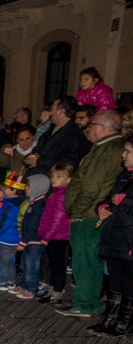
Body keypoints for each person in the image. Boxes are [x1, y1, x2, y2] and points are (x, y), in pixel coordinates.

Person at [58, 109, 125, 317]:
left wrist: (77, 210)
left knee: (85, 261)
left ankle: (84, 304)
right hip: (92, 212)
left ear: (103, 128)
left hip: (88, 214)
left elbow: (91, 186)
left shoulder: (106, 149)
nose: (88, 129)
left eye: (92, 125)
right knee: (91, 261)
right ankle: (90, 302)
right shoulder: (107, 147)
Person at [90, 137, 133, 335]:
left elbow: (125, 202)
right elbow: (110, 198)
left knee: (129, 280)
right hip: (115, 234)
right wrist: (103, 208)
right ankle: (110, 319)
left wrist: (125, 201)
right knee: (114, 278)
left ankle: (124, 322)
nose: (123, 155)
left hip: (129, 239)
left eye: (128, 151)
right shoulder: (124, 176)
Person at [37, 164, 73, 306]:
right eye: (53, 176)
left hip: (58, 236)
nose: (54, 179)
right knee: (53, 265)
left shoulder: (62, 196)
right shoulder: (55, 193)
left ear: (68, 180)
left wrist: (47, 236)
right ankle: (52, 291)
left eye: (59, 176)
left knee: (58, 266)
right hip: (54, 236)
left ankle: (57, 293)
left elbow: (57, 219)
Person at [26, 96, 91, 175]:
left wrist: (39, 161)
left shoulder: (73, 134)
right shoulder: (51, 129)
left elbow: (69, 162)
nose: (50, 113)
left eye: (52, 110)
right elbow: (37, 150)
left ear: (61, 111)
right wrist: (28, 159)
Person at [14, 175, 50, 299]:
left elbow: (33, 225)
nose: (26, 189)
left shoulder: (40, 205)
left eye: (28, 186)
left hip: (34, 241)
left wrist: (23, 241)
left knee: (32, 266)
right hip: (29, 240)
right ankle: (23, 285)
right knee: (25, 264)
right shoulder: (33, 203)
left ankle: (31, 289)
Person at [0, 173, 25, 290]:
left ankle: (3, 282)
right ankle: (11, 281)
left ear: (13, 191)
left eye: (6, 188)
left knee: (4, 261)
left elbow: (4, 223)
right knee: (10, 261)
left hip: (6, 238)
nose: (3, 190)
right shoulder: (20, 203)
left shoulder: (9, 205)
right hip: (15, 238)